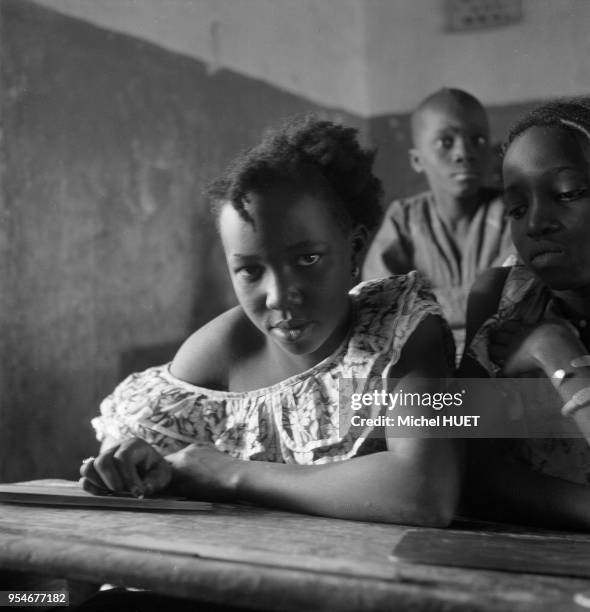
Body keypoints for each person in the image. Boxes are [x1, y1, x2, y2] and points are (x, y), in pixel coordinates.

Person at [80, 117, 462, 526]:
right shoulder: (225, 348)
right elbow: (137, 448)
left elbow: (423, 491)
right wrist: (129, 461)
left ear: (354, 249)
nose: (279, 296)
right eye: (250, 270)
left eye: (308, 259)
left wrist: (232, 474)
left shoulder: (400, 331)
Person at [460, 98, 590, 530]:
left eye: (568, 193)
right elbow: (468, 473)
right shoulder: (497, 298)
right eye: (516, 209)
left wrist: (554, 355)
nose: (536, 223)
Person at [363, 88, 513, 357]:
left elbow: (518, 303)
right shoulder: (404, 220)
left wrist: (430, 308)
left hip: (497, 358)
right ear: (417, 160)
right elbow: (378, 305)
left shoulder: (509, 215)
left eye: (477, 140)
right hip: (423, 359)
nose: (463, 153)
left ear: (492, 153)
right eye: (446, 142)